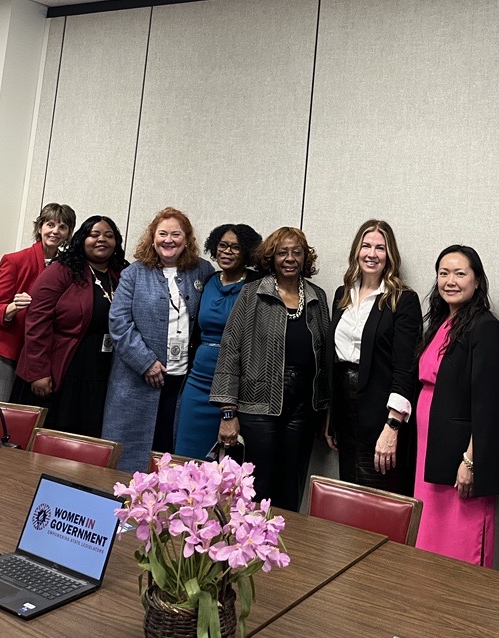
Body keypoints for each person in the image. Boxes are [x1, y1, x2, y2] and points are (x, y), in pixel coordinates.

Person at [211, 226, 329, 511]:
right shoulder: (253, 293)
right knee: (256, 486)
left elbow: (325, 358)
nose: (289, 258)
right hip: (257, 406)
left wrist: (327, 413)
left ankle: (283, 549)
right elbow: (230, 351)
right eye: (282, 252)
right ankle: (247, 549)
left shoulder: (317, 297)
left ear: (305, 258)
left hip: (304, 408)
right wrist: (228, 412)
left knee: (291, 489)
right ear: (271, 258)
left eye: (296, 252)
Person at [414, 245, 499, 566]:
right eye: (443, 273)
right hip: (430, 449)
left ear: (477, 280)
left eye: (459, 273)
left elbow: (490, 405)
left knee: (459, 543)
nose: (450, 281)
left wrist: (470, 462)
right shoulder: (441, 323)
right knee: (428, 538)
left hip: (461, 456)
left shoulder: (487, 329)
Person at [102, 208, 214, 473]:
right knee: (130, 458)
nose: (169, 240)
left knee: (172, 454)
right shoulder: (134, 273)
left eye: (176, 234)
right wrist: (146, 362)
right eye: (162, 233)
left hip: (184, 383)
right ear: (152, 238)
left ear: (186, 239)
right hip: (137, 380)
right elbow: (119, 323)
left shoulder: (202, 271)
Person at [326, 219, 422, 493]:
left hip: (380, 414)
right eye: (366, 246)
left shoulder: (402, 300)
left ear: (389, 255)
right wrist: (332, 417)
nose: (372, 253)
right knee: (349, 489)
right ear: (356, 250)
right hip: (345, 412)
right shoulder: (342, 295)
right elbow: (334, 360)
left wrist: (392, 426)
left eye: (380, 248)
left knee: (378, 493)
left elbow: (406, 369)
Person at [12, 216, 126, 435]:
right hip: (58, 369)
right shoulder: (62, 270)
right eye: (94, 235)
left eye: (109, 236)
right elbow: (37, 320)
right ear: (82, 239)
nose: (102, 240)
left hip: (99, 370)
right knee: (49, 436)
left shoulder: (119, 274)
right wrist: (38, 372)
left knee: (84, 439)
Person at [175, 223, 262, 460]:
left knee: (225, 463)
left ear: (247, 253)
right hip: (198, 379)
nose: (227, 251)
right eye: (222, 245)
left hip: (235, 385)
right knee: (186, 456)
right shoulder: (208, 280)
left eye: (235, 247)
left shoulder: (257, 285)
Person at [0, 202, 76, 403]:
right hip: (8, 349)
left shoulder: (68, 268)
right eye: (50, 224)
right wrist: (14, 307)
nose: (55, 231)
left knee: (27, 417)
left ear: (69, 233)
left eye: (63, 227)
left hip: (41, 356)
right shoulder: (15, 260)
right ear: (40, 227)